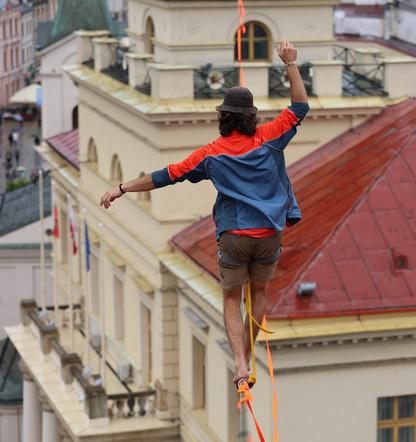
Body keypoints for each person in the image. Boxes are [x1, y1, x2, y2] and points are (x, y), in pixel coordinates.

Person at [100, 41, 308, 388]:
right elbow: (300, 106)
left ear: (222, 118)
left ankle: (240, 365)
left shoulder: (211, 154)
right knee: (258, 294)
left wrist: (121, 188)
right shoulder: (270, 138)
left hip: (233, 237)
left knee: (231, 297)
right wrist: (289, 64)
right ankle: (250, 355)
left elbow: (164, 176)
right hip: (269, 234)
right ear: (251, 116)